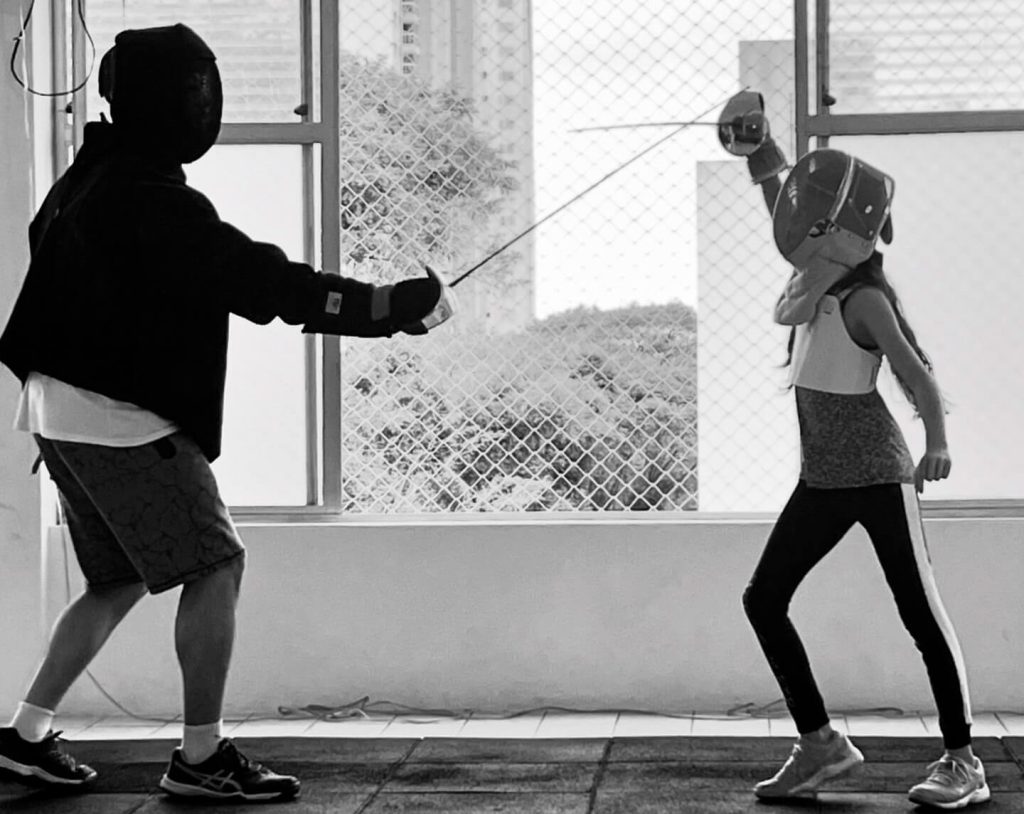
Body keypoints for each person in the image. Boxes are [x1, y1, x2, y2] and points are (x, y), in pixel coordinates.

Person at [0, 23, 449, 803]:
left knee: (117, 579)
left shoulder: (90, 176)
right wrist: (380, 308)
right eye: (192, 92)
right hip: (117, 417)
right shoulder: (151, 198)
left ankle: (26, 735)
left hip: (55, 406)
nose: (203, 106)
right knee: (216, 564)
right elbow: (258, 280)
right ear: (163, 102)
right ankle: (201, 757)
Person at [729, 114, 988, 809]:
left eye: (820, 220)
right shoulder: (813, 283)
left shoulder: (863, 298)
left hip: (876, 477)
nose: (800, 227)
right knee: (763, 600)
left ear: (846, 231)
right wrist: (761, 153)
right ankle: (820, 745)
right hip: (822, 480)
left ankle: (964, 761)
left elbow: (917, 374)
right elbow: (785, 212)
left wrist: (937, 443)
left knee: (920, 615)